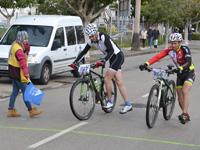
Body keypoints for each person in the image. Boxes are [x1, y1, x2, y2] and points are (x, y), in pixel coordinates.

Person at [70, 23, 133, 114]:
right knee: (119, 82)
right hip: (111, 58)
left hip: (118, 56)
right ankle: (128, 104)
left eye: (92, 36)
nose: (91, 38)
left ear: (96, 33)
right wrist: (75, 62)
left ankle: (109, 102)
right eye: (89, 36)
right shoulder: (91, 41)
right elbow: (83, 52)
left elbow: (111, 51)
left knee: (107, 78)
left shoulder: (104, 37)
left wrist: (104, 60)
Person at [139, 33, 195, 124]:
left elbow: (189, 62)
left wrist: (180, 68)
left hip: (189, 73)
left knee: (185, 91)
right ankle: (185, 114)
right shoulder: (170, 50)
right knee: (179, 97)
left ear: (179, 42)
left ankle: (184, 114)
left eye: (175, 43)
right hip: (180, 74)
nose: (173, 45)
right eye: (171, 43)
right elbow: (158, 56)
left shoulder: (184, 49)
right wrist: (146, 64)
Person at [7, 31, 42, 118]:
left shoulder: (15, 44)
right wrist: (26, 74)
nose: (27, 40)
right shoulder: (19, 50)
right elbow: (22, 62)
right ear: (21, 39)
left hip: (12, 72)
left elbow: (25, 53)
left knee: (15, 91)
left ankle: (10, 110)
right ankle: (31, 111)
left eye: (27, 39)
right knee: (25, 92)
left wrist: (27, 47)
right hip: (19, 73)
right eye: (25, 39)